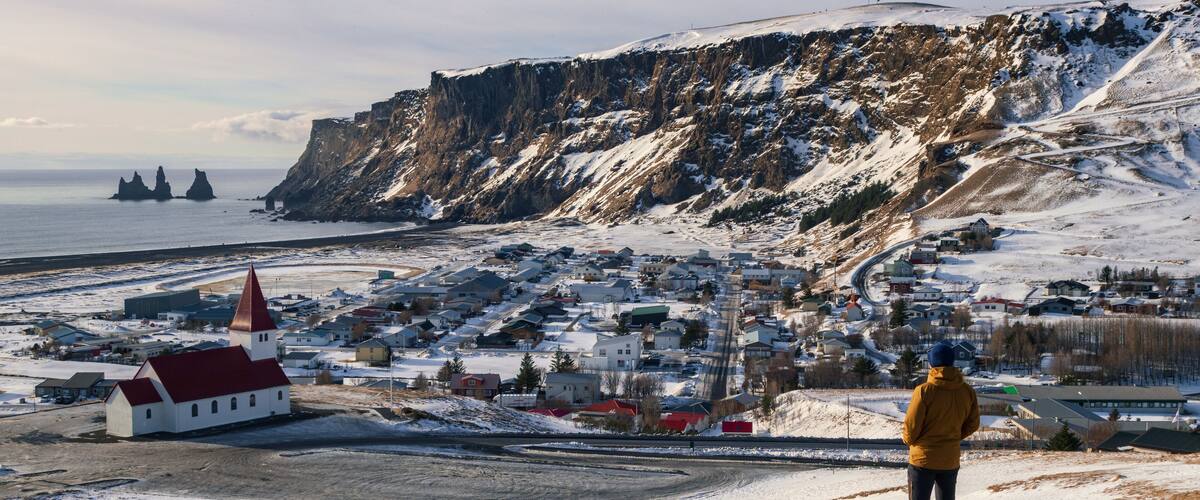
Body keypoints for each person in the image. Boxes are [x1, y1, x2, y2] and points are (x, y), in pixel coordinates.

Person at [902, 343, 980, 500]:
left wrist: (910, 442)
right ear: (952, 362)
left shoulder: (924, 391)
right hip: (949, 459)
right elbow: (973, 424)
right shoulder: (967, 391)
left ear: (931, 364)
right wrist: (954, 437)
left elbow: (911, 428)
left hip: (922, 460)